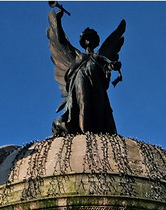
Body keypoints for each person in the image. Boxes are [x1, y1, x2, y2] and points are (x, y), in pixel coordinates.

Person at [47, 3, 125, 136]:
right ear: (83, 41)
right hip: (80, 78)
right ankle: (85, 132)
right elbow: (62, 41)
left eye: (91, 37)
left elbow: (108, 63)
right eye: (86, 37)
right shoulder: (78, 55)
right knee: (83, 101)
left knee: (99, 107)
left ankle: (93, 131)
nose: (89, 39)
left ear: (95, 41)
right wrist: (59, 20)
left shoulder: (98, 57)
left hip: (95, 84)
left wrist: (114, 66)